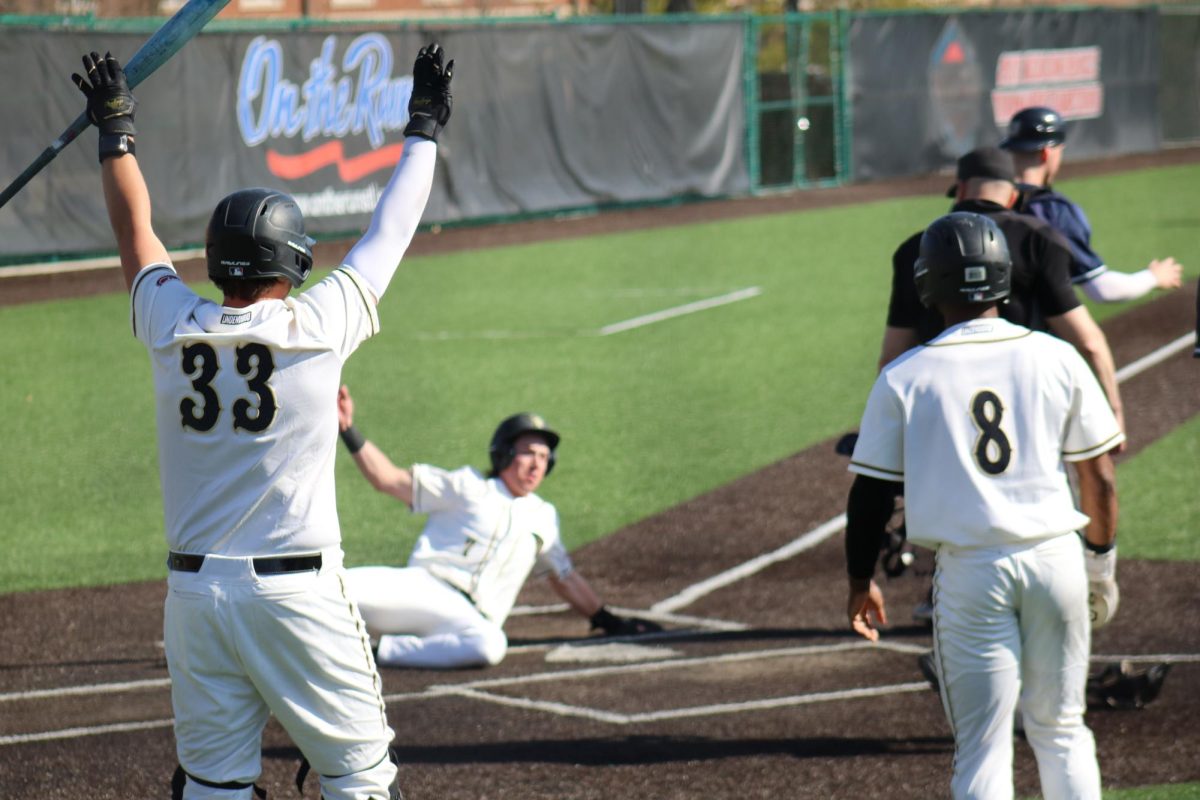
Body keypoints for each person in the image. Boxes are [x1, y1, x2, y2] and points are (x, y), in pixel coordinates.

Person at [75, 43, 453, 799]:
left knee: (213, 789)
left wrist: (115, 131)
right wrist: (424, 126)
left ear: (215, 260)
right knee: (360, 783)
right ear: (294, 259)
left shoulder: (170, 321)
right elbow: (392, 226)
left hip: (195, 602)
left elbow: (136, 233)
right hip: (299, 598)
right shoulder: (320, 324)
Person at [845, 211, 1123, 800]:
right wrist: (1099, 563)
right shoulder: (1056, 357)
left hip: (973, 573)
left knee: (984, 747)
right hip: (1056, 560)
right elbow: (1098, 475)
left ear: (930, 285)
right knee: (1063, 730)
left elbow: (870, 494)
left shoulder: (906, 376)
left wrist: (859, 579)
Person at [336, 385, 662, 668]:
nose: (538, 464)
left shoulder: (543, 516)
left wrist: (607, 620)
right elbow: (388, 479)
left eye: (545, 457)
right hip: (423, 590)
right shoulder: (469, 485)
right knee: (335, 588)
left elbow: (564, 577)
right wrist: (348, 429)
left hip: (471, 619)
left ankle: (379, 652)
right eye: (529, 453)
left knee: (490, 645)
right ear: (504, 453)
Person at [1001, 106, 1183, 302]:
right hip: (1031, 329)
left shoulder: (987, 202)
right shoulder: (1052, 211)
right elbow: (1102, 290)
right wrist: (1152, 277)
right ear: (1047, 153)